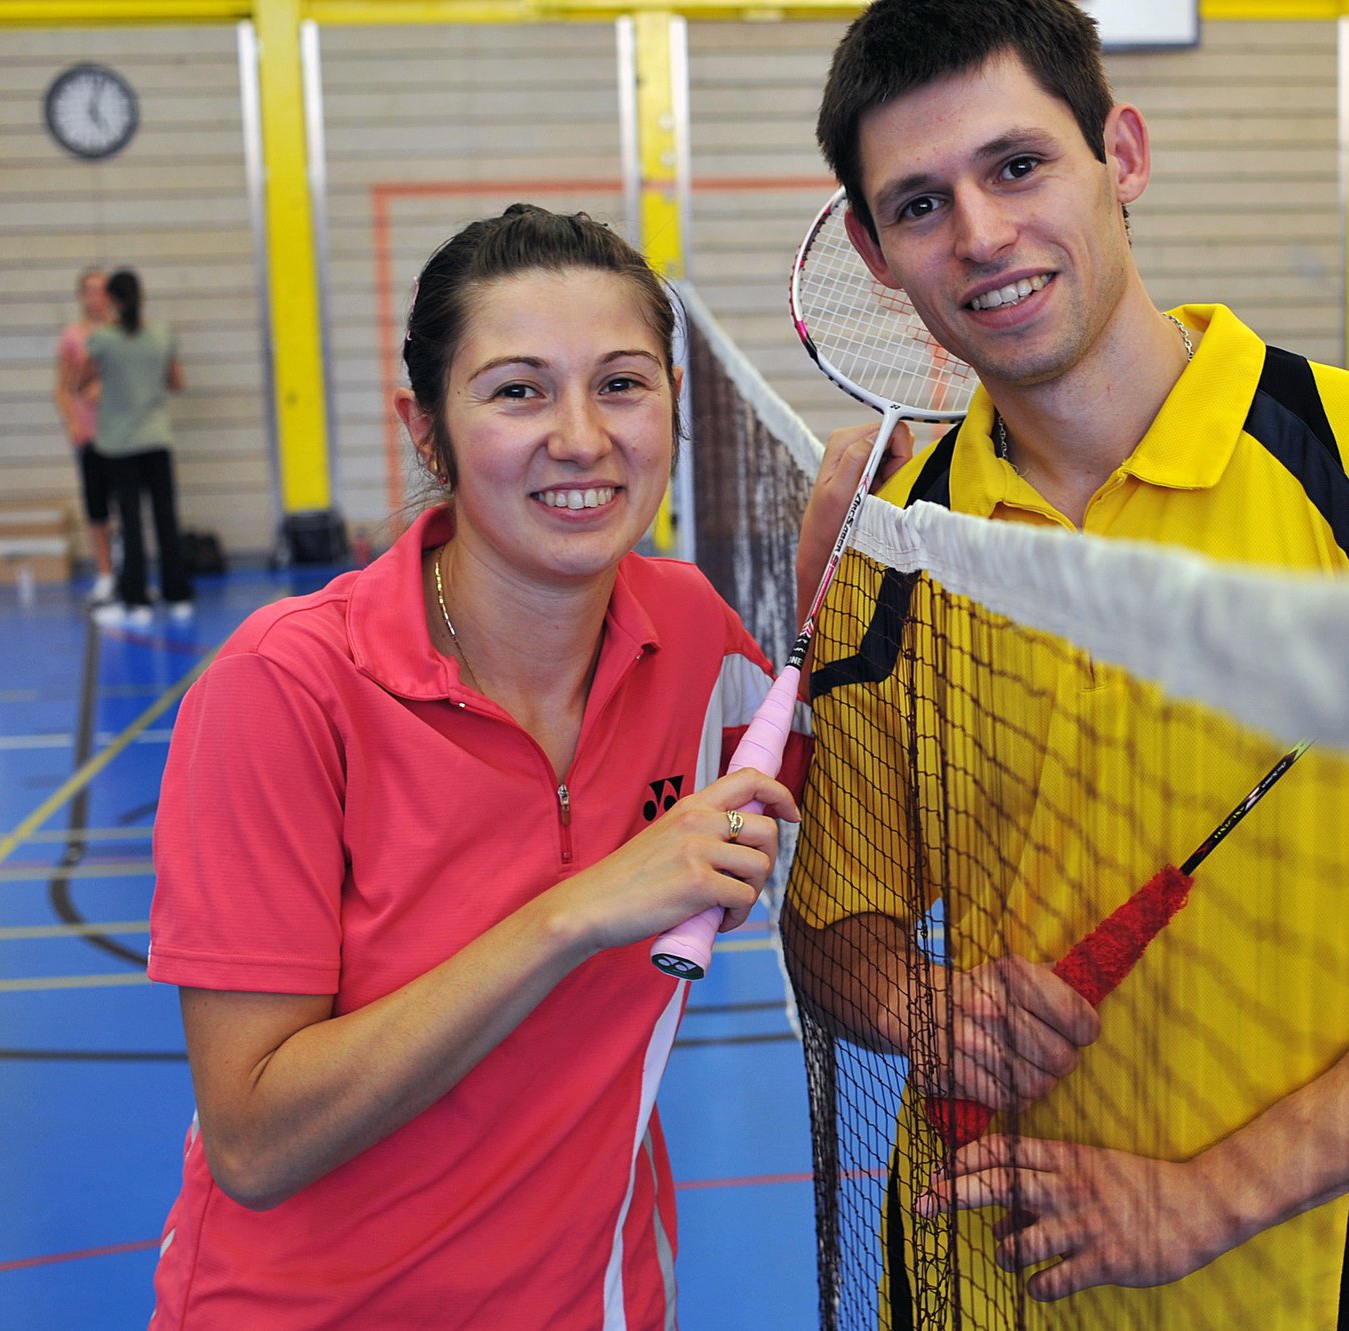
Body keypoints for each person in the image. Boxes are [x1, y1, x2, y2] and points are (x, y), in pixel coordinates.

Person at [780, 3, 1349, 1328]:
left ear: (1124, 152)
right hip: (972, 1287)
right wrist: (912, 997)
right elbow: (830, 921)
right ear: (879, 253)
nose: (984, 234)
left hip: (1313, 1294)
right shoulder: (893, 544)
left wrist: (1210, 1193)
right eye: (921, 204)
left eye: (1018, 165)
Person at [143, 205, 801, 1329]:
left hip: (598, 1298)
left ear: (676, 410)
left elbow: (874, 842)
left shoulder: (697, 638)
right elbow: (254, 1137)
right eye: (517, 389)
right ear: (426, 427)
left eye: (623, 382)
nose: (582, 436)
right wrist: (575, 912)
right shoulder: (288, 686)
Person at [83, 268, 191, 624]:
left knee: (130, 522)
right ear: (142, 296)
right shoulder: (161, 335)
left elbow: (80, 382)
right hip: (156, 438)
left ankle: (137, 600)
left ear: (110, 301)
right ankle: (178, 596)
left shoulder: (102, 340)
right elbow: (176, 382)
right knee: (165, 518)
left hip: (119, 443)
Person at [54, 267, 117, 604]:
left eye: (102, 289)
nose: (96, 296)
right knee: (97, 508)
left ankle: (129, 572)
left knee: (128, 507)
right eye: (90, 289)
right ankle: (105, 572)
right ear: (81, 296)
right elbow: (63, 387)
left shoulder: (123, 332)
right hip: (90, 434)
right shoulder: (73, 336)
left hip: (123, 433)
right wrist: (74, 424)